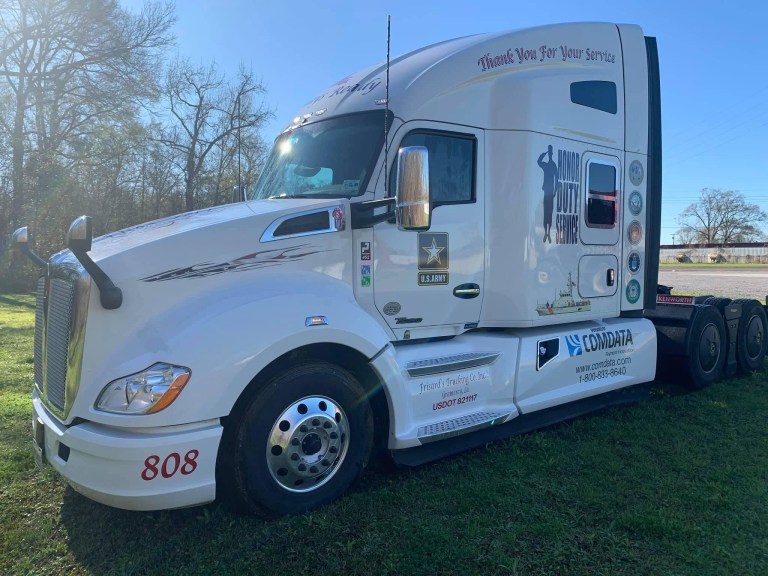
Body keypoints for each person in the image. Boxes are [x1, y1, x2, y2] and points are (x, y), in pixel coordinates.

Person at [537, 145, 558, 243]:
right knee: (546, 213)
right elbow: (538, 162)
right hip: (546, 191)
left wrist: (555, 192)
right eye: (548, 152)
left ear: (552, 154)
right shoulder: (547, 165)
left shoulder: (553, 165)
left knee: (550, 213)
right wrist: (543, 154)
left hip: (550, 192)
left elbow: (557, 180)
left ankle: (548, 233)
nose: (549, 154)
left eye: (550, 152)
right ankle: (546, 233)